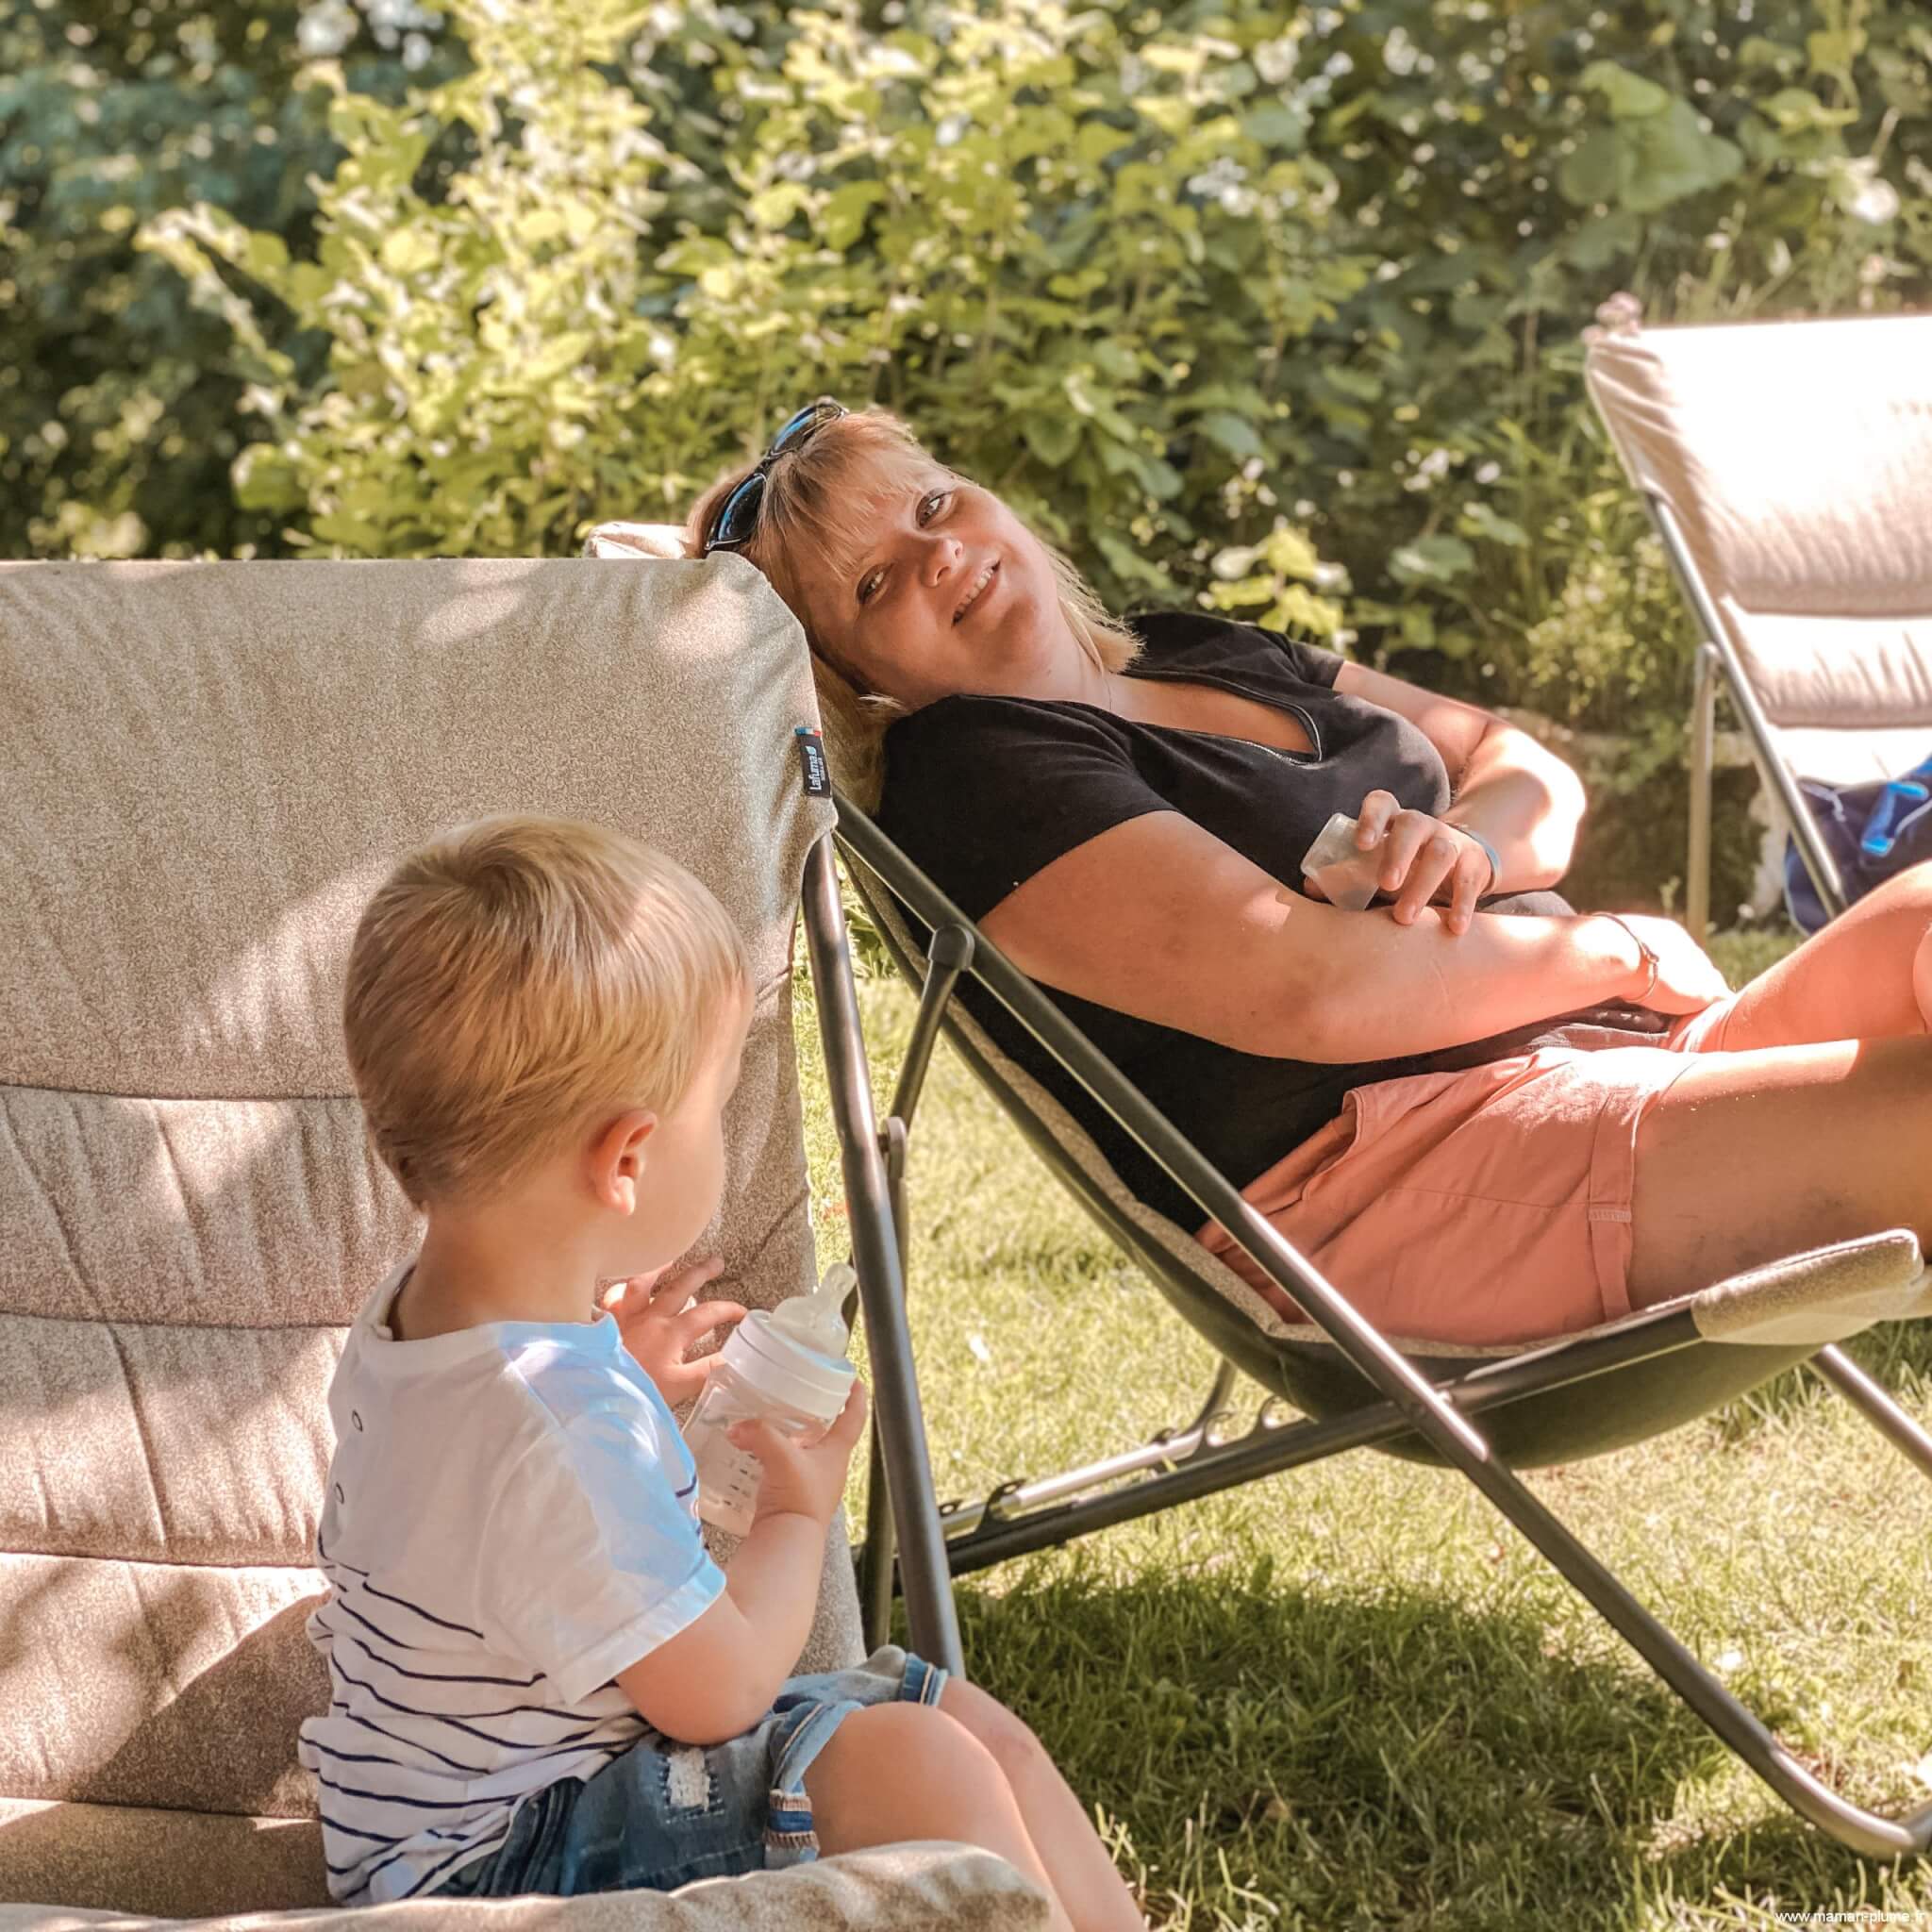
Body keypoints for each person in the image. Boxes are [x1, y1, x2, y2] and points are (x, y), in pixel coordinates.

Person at [684, 398, 1932, 1347]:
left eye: (932, 508)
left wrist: (1475, 841)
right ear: (859, 683)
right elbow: (1314, 995)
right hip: (1410, 1175)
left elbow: (1517, 759)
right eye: (874, 584)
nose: (935, 557)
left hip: (1602, 1065)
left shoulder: (1198, 650)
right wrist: (1611, 951)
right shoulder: (977, 772)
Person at [300, 813, 1142, 1930]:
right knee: (919, 1769)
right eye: (719, 1099)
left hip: (466, 1805)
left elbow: (499, 1508)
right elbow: (719, 1691)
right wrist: (797, 1517)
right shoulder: (556, 1426)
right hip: (487, 1865)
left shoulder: (428, 1316)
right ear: (630, 1158)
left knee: (964, 1726)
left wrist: (628, 1385)